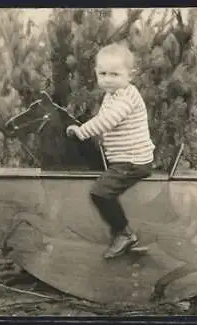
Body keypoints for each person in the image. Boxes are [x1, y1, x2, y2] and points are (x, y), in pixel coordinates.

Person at [66, 43, 155, 259]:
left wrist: (82, 131)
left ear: (130, 75)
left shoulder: (126, 96)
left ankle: (123, 233)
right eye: (103, 73)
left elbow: (108, 120)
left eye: (115, 74)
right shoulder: (112, 95)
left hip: (133, 161)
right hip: (122, 159)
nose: (107, 78)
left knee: (100, 192)